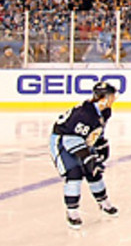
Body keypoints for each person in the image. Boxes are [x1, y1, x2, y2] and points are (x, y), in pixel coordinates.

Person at [49, 81, 119, 228]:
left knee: (94, 172)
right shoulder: (84, 114)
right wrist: (87, 157)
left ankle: (103, 203)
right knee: (74, 173)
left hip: (80, 140)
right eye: (112, 96)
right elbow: (71, 138)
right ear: (103, 98)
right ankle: (72, 212)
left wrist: (100, 144)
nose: (114, 98)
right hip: (63, 141)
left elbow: (95, 130)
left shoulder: (105, 111)